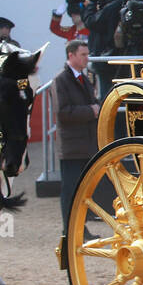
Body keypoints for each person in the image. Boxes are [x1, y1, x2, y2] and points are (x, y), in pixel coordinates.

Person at [54, 39, 99, 236]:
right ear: (71, 55)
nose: (87, 58)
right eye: (83, 54)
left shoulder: (84, 77)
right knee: (70, 191)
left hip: (85, 143)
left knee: (82, 191)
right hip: (72, 146)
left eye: (87, 54)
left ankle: (80, 229)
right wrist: (91, 111)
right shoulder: (61, 80)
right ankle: (70, 230)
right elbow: (63, 113)